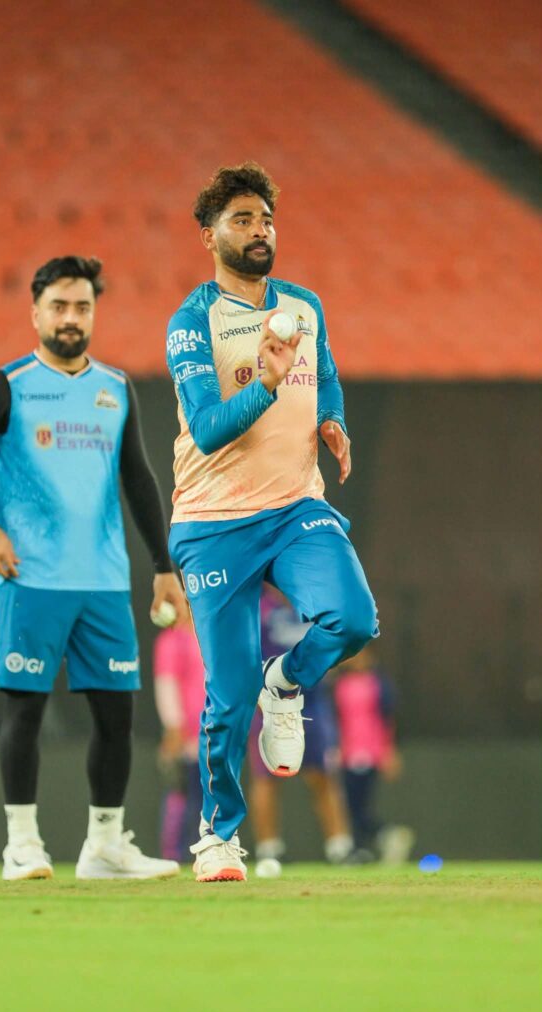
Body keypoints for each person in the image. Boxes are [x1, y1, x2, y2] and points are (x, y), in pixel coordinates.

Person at [0, 255, 187, 880]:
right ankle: (22, 844)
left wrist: (163, 565)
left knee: (117, 715)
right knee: (24, 708)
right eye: (58, 306)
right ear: (36, 313)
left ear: (94, 314)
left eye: (82, 307)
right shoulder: (8, 385)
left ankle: (104, 847)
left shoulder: (115, 388)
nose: (70, 318)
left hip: (103, 581)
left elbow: (139, 479)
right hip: (33, 578)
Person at [166, 163, 378, 881]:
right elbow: (206, 428)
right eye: (241, 220)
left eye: (265, 219)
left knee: (352, 619)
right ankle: (218, 837)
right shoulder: (191, 323)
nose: (259, 231)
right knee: (227, 692)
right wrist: (264, 380)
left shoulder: (304, 306)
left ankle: (284, 683)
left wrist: (331, 419)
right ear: (209, 236)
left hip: (293, 506)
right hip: (213, 521)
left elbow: (326, 374)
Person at [247, 589, 355, 869]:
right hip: (269, 703)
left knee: (323, 775)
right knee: (266, 776)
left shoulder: (313, 604)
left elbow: (335, 647)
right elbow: (246, 653)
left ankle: (339, 847)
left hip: (312, 703)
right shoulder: (258, 608)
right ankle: (269, 849)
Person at [333, 649, 414, 862]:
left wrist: (388, 751)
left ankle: (385, 834)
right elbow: (337, 719)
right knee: (349, 807)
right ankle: (364, 847)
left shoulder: (378, 684)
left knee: (359, 806)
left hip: (369, 752)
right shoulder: (339, 684)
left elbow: (388, 719)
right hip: (347, 753)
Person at [153, 621, 206, 862]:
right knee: (184, 793)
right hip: (188, 735)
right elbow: (166, 684)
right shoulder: (172, 639)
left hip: (213, 731)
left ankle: (205, 850)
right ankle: (177, 854)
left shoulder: (209, 633)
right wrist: (173, 726)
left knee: (207, 797)